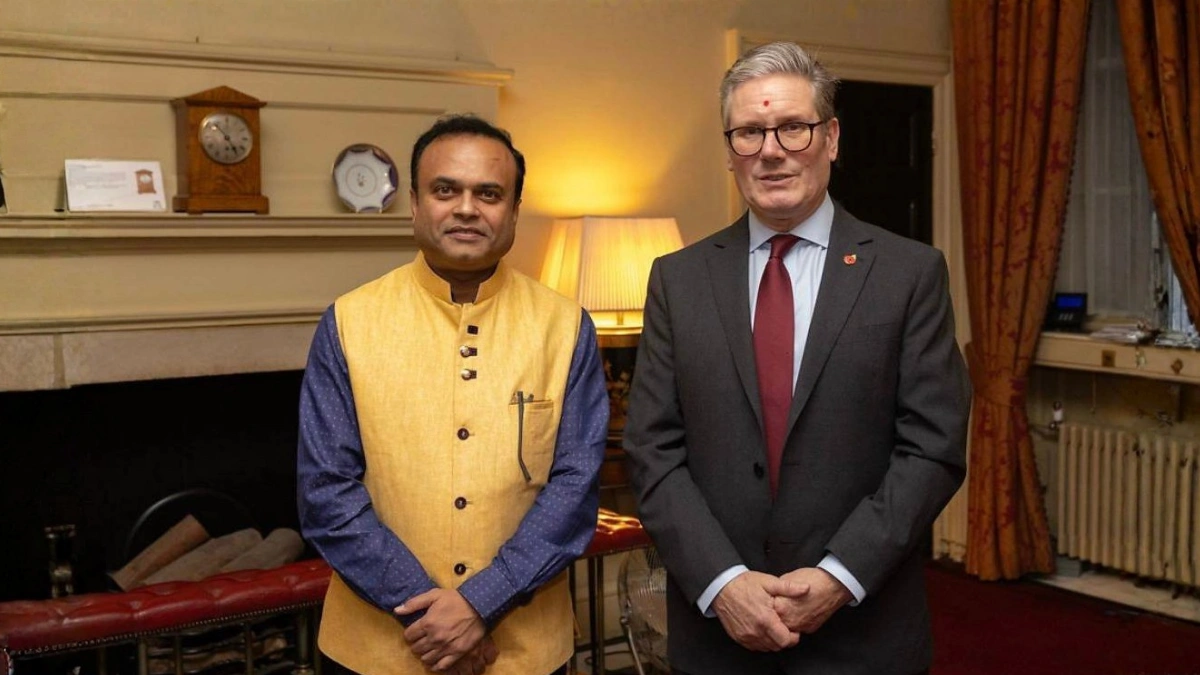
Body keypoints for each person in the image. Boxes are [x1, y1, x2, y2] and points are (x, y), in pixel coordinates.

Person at [623, 41, 971, 675]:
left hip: (864, 634)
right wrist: (722, 581)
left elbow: (932, 447)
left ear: (831, 138)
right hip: (715, 636)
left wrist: (841, 575)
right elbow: (652, 449)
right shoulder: (678, 279)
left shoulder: (909, 274)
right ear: (730, 151)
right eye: (749, 132)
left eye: (793, 127)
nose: (772, 150)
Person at [297, 114, 608, 675]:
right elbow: (326, 494)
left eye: (489, 193)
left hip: (525, 655)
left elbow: (576, 487)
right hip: (375, 655)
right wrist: (439, 622)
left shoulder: (566, 327)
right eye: (446, 190)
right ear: (415, 202)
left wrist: (479, 605)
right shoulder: (348, 322)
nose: (467, 208)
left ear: (513, 211)